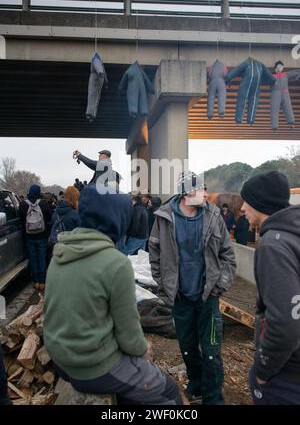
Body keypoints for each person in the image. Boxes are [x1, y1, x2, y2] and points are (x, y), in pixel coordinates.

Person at [43, 185, 183, 405]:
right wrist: (144, 350)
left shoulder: (60, 253)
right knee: (170, 392)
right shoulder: (115, 263)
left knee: (130, 392)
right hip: (92, 367)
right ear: (117, 218)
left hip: (60, 361)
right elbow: (130, 339)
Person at [149, 172, 236, 405]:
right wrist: (164, 283)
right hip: (180, 297)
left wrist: (220, 285)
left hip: (208, 296)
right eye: (202, 190)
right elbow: (154, 252)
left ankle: (213, 398)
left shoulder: (213, 215)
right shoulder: (164, 218)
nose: (207, 194)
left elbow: (228, 255)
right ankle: (196, 384)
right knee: (187, 347)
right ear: (187, 194)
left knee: (211, 351)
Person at [240, 171, 300, 405]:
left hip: (287, 372)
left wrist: (264, 369)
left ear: (260, 204)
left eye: (248, 201)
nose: (242, 208)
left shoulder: (273, 245)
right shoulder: (293, 235)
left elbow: (286, 321)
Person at [19, 184, 52, 291]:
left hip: (29, 236)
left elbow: (21, 220)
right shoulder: (44, 204)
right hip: (42, 235)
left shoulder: (23, 204)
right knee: (41, 258)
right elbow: (48, 219)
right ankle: (42, 281)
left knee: (33, 259)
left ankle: (36, 281)